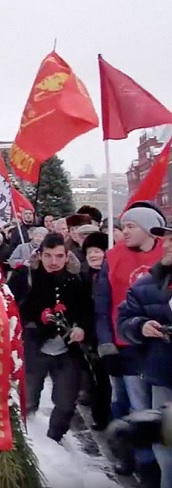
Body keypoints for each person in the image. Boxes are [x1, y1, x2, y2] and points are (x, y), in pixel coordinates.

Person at [96, 201, 166, 480]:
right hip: (125, 345)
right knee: (137, 405)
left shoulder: (167, 253)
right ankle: (144, 463)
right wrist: (106, 343)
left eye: (130, 226)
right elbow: (102, 305)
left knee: (160, 410)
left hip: (161, 347)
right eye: (123, 226)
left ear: (149, 229)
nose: (123, 231)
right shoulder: (112, 257)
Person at [9, 233, 94, 442]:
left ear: (67, 256)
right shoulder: (26, 275)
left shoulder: (78, 278)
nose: (53, 262)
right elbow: (11, 306)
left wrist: (82, 328)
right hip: (34, 346)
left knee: (66, 403)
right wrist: (35, 316)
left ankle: (54, 439)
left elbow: (88, 310)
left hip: (67, 349)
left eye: (58, 256)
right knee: (27, 398)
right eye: (48, 256)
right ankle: (29, 442)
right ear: (40, 254)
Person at [117, 223, 172, 488]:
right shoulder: (147, 283)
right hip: (163, 375)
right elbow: (124, 320)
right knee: (167, 449)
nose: (168, 245)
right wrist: (140, 326)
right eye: (167, 240)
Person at [81, 231, 112, 431]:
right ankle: (101, 417)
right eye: (89, 252)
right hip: (91, 335)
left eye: (97, 251)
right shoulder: (83, 276)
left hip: (112, 333)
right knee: (98, 379)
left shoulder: (112, 274)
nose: (93, 255)